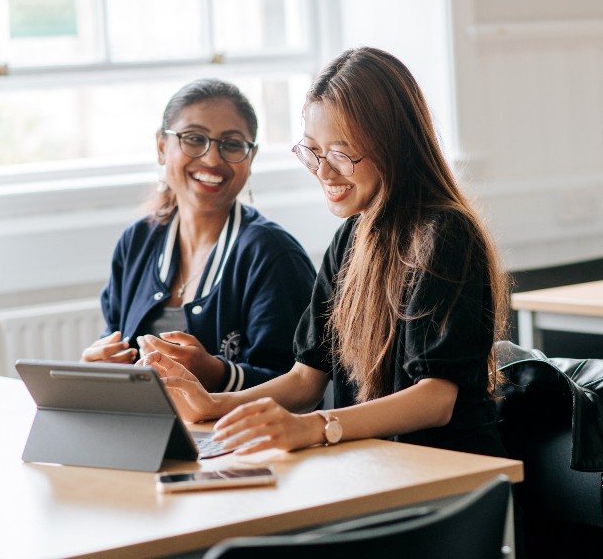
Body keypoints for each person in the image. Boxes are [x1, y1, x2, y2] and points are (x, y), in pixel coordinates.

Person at [141, 48, 510, 456]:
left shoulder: (444, 234)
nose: (323, 170)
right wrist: (213, 404)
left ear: (395, 146)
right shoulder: (353, 236)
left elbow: (436, 399)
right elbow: (305, 381)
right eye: (314, 151)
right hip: (377, 466)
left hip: (452, 476)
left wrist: (314, 428)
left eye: (340, 152)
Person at [82, 78, 316, 393]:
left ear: (251, 158)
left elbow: (302, 388)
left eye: (232, 144)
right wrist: (96, 367)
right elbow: (113, 339)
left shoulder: (273, 255)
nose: (212, 159)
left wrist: (220, 374)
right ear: (162, 147)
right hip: (142, 431)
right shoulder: (137, 242)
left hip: (234, 440)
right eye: (194, 139)